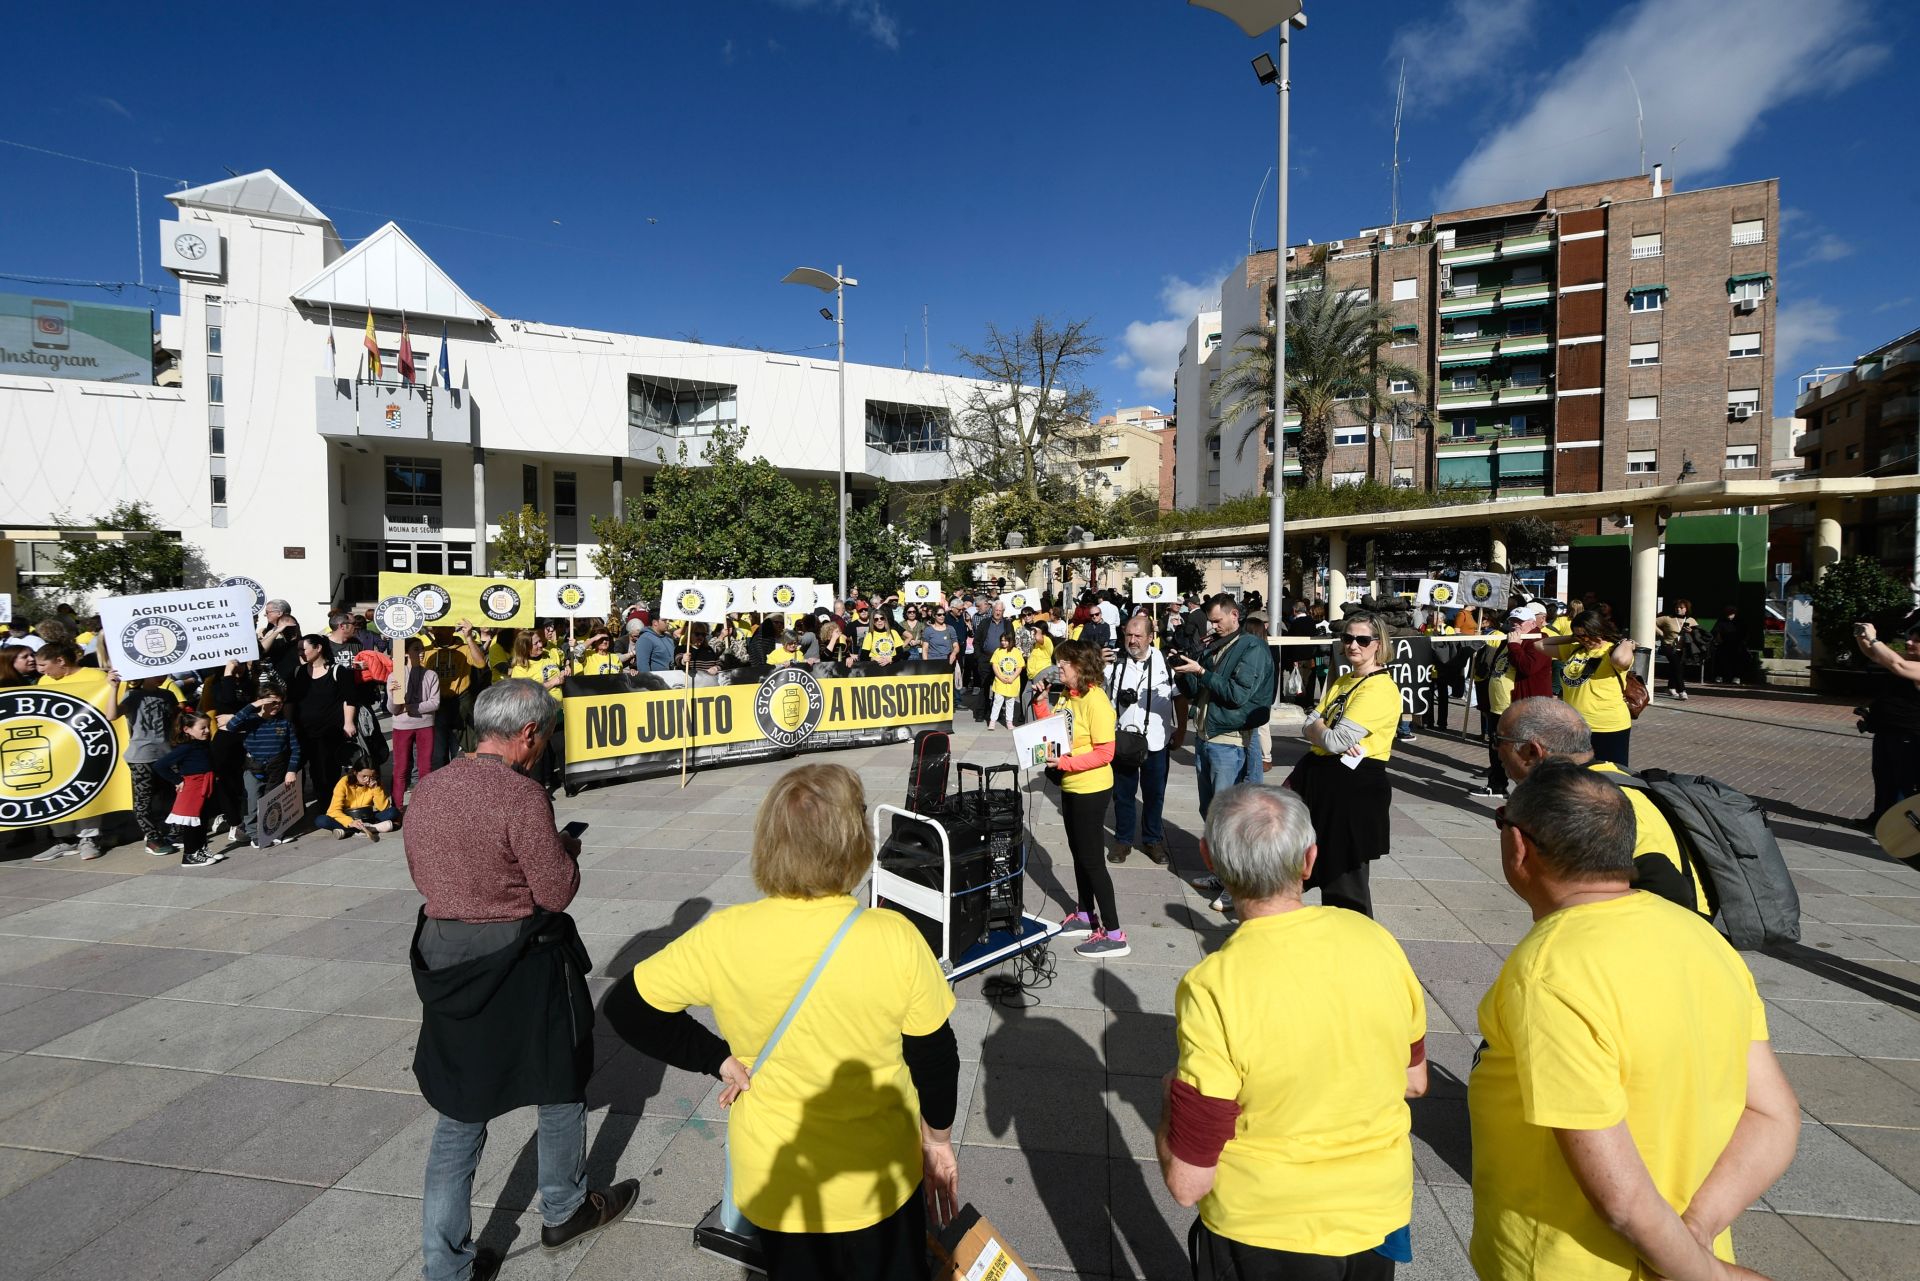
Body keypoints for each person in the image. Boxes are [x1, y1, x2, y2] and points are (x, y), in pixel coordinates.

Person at [610, 763, 960, 1280]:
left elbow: (628, 1008)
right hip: (878, 1178)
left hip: (779, 1182)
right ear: (853, 841)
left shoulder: (725, 934)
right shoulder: (895, 936)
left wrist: (717, 1059)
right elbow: (935, 1057)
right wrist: (937, 1142)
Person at [1469, 761, 1798, 1281]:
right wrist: (1697, 1233)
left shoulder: (1550, 971)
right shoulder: (1702, 939)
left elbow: (1622, 1203)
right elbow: (1773, 1115)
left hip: (1566, 1265)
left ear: (1519, 847)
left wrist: (1708, 1276)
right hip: (1686, 1251)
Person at [406, 679, 636, 1281]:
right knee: (557, 1078)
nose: (546, 748)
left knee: (460, 1109)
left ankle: (444, 1265)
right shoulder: (521, 796)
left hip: (448, 954)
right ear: (529, 733)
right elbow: (554, 892)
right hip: (519, 958)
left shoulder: (428, 787)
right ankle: (563, 1206)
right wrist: (564, 852)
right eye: (547, 736)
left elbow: (427, 870)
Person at [1159, 785, 1426, 1280]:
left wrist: (1167, 1098)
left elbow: (1187, 1181)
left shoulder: (1213, 984)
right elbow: (1415, 1081)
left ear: (1210, 859)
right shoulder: (1375, 939)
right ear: (1310, 860)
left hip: (1266, 1229)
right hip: (1378, 1213)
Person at [1495, 697, 1710, 917]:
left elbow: (1674, 893)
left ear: (1533, 750)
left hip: (1674, 930)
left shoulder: (1600, 802)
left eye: (1499, 739)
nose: (1495, 749)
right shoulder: (1609, 779)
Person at [1291, 613, 1401, 918]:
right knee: (1320, 866)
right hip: (1327, 783)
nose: (1353, 645)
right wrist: (1319, 729)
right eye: (1348, 638)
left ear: (1379, 644)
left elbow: (1337, 740)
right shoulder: (1344, 679)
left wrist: (1320, 729)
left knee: (1345, 880)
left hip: (1355, 791)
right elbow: (1310, 724)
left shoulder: (1379, 688)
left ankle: (1356, 948)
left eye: (1363, 640)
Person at [1046, 640, 1126, 958]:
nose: (1058, 668)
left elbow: (1106, 753)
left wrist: (1065, 763)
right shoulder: (1068, 695)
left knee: (1092, 861)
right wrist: (1040, 702)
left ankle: (1115, 933)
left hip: (1092, 788)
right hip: (1070, 786)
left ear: (1079, 666)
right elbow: (1051, 730)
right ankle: (1085, 915)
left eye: (1063, 664)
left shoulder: (1097, 701)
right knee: (1078, 854)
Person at [1173, 594, 1276, 821]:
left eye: (1218, 621)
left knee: (1226, 815)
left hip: (1229, 741)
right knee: (1209, 812)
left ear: (1234, 615)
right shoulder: (1215, 645)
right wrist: (1182, 670)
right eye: (1211, 621)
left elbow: (1237, 695)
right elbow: (1195, 691)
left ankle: (1226, 857)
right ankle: (1212, 855)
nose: (1214, 626)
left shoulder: (1252, 647)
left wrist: (1201, 672)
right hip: (1205, 738)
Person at [1105, 613, 1186, 867]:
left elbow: (1180, 697)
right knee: (1123, 794)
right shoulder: (1114, 662)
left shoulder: (1165, 662)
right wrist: (1094, 663)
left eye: (1138, 635)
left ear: (1151, 637)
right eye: (1128, 634)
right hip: (1124, 741)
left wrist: (1181, 729)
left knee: (1154, 795)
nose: (1132, 640)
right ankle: (1123, 840)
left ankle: (1152, 839)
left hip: (1156, 741)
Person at [27, 644, 113, 861]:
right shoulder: (45, 681)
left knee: (87, 790)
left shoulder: (95, 676)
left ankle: (89, 838)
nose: (40, 670)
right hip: (56, 746)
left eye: (44, 665)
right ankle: (64, 840)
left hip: (90, 744)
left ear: (60, 661)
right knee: (56, 791)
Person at [1469, 603, 1554, 800]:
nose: (1515, 626)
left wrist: (1515, 646)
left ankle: (1530, 790)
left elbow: (1528, 667)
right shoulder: (1508, 639)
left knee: (1523, 750)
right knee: (1497, 746)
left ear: (1532, 623)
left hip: (1521, 706)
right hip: (1499, 705)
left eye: (1520, 622)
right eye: (1512, 622)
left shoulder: (1539, 640)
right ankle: (1496, 785)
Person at [1542, 609, 1639, 767]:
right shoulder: (1575, 649)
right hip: (1575, 726)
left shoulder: (1612, 650)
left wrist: (1626, 643)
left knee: (1611, 778)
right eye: (1578, 635)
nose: (1584, 639)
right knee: (1578, 778)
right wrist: (1573, 638)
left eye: (1587, 634)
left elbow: (1620, 660)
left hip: (1608, 726)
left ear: (1598, 630)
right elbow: (1540, 644)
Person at [1854, 621, 1920, 824]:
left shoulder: (1913, 667)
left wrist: (1874, 638)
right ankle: (1880, 818)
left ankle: (1899, 829)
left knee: (1903, 783)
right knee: (1883, 778)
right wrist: (1860, 636)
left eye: (1917, 641)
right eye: (1910, 638)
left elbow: (1897, 665)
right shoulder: (1907, 660)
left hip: (1909, 736)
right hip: (1887, 731)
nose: (1909, 642)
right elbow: (1874, 655)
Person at [286, 634, 358, 808]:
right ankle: (296, 806)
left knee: (325, 770)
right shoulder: (298, 672)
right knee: (297, 768)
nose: (301, 653)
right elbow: (290, 701)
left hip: (329, 731)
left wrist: (348, 723)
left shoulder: (338, 671)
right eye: (299, 650)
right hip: (302, 731)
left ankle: (328, 807)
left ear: (318, 648)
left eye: (304, 649)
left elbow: (350, 699)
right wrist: (288, 723)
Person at [151, 709, 226, 868]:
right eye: (202, 728)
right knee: (192, 823)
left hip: (205, 786)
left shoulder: (203, 745)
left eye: (208, 727)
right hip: (193, 788)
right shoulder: (186, 748)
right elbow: (160, 765)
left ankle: (201, 850)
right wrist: (177, 780)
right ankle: (189, 855)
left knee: (202, 821)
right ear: (187, 730)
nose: (207, 731)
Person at [118, 673, 182, 855]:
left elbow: (176, 720)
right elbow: (112, 714)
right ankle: (152, 837)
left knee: (172, 794)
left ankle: (174, 831)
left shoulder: (168, 695)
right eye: (157, 673)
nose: (162, 677)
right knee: (143, 798)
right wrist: (114, 687)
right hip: (142, 755)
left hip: (167, 754)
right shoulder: (132, 695)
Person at [389, 636, 441, 813]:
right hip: (402, 726)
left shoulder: (431, 674)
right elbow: (394, 709)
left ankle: (425, 806)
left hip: (426, 724)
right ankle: (396, 806)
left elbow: (435, 703)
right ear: (405, 653)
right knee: (401, 766)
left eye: (422, 649)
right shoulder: (395, 675)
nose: (421, 653)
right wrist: (393, 694)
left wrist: (410, 708)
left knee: (425, 766)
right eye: (416, 649)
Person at [317, 761, 397, 841]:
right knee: (321, 820)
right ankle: (373, 828)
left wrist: (376, 788)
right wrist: (350, 822)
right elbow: (333, 811)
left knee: (393, 812)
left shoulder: (374, 783)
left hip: (367, 817)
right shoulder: (344, 782)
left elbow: (383, 808)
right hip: (347, 817)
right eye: (364, 776)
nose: (368, 780)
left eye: (371, 776)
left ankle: (349, 831)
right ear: (355, 772)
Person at [1656, 598, 1703, 701]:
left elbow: (1699, 634)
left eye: (1681, 607)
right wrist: (1661, 633)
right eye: (1677, 607)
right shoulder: (1667, 618)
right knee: (1678, 668)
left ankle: (1670, 688)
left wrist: (1691, 631)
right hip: (1669, 646)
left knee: (1675, 667)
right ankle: (1682, 691)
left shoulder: (1691, 620)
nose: (1678, 609)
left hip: (1683, 649)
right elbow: (1651, 622)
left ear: (1686, 609)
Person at [971, 602, 1009, 722]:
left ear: (1003, 611)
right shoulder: (985, 623)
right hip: (985, 659)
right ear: (992, 610)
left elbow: (1011, 640)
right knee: (984, 686)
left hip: (1002, 660)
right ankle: (981, 712)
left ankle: (997, 712)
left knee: (1000, 688)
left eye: (1000, 610)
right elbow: (976, 641)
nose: (998, 612)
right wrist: (979, 657)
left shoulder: (1008, 624)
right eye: (996, 610)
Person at [987, 630, 1022, 730]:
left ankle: (1009, 722)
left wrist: (1012, 678)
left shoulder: (1016, 651)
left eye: (1006, 640)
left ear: (1010, 641)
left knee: (1010, 703)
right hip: (1000, 682)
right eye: (1002, 640)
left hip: (1012, 682)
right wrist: (1000, 677)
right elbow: (995, 665)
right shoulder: (998, 651)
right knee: (997, 702)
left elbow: (1019, 666)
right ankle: (992, 721)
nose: (1003, 642)